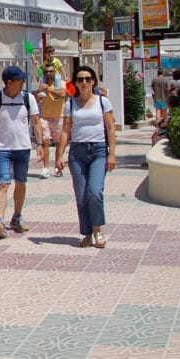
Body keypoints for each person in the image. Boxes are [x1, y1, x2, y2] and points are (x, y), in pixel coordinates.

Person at [55, 65, 117, 248]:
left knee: (95, 191)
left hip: (98, 151)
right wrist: (59, 155)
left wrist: (112, 154)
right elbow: (66, 130)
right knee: (81, 196)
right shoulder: (70, 104)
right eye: (80, 79)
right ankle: (87, 233)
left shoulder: (102, 102)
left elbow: (111, 128)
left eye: (88, 79)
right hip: (77, 153)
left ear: (93, 82)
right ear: (75, 83)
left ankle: (98, 229)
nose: (84, 82)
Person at [0, 66, 44, 239]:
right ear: (9, 82)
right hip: (2, 148)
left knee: (21, 182)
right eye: (20, 80)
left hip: (23, 148)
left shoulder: (28, 98)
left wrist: (39, 144)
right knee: (3, 184)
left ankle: (17, 216)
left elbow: (36, 122)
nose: (23, 82)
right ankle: (0, 220)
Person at [35, 69, 67, 178]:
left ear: (55, 72)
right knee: (45, 142)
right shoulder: (42, 84)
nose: (49, 73)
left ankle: (57, 167)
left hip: (59, 117)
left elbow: (63, 94)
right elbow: (37, 99)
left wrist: (49, 89)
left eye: (51, 71)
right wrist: (39, 90)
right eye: (47, 72)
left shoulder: (62, 83)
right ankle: (45, 167)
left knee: (58, 143)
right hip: (45, 117)